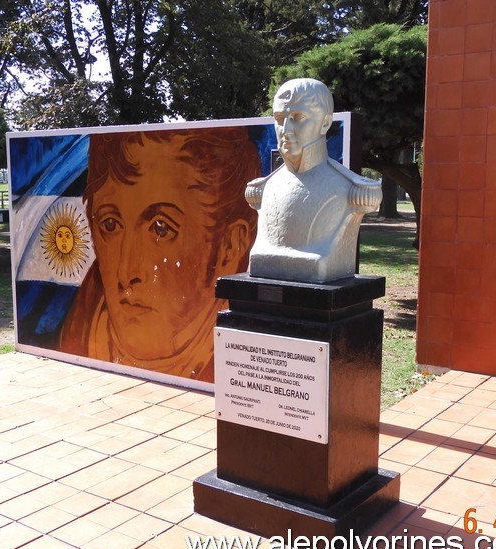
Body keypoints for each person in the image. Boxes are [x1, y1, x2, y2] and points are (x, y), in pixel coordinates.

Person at [59, 127, 260, 382]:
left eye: (161, 228)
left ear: (230, 246)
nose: (126, 271)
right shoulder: (75, 329)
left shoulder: (248, 362)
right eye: (110, 225)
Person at [246, 78, 382, 283]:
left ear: (325, 123)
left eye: (297, 117)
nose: (286, 129)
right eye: (279, 118)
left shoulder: (352, 190)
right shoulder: (264, 188)